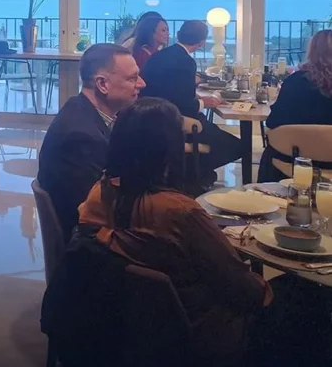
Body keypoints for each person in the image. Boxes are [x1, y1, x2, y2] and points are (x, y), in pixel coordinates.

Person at [75, 98, 271, 366]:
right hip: (192, 334)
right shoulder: (179, 212)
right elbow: (242, 288)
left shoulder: (99, 194)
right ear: (167, 148)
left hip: (123, 331)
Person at [37, 44, 145, 241]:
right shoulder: (81, 138)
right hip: (90, 245)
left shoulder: (80, 108)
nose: (142, 84)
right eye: (132, 78)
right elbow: (102, 210)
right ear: (102, 84)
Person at [140, 20, 241, 179]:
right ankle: (191, 174)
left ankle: (197, 173)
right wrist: (203, 103)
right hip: (174, 123)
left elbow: (172, 91)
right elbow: (185, 106)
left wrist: (198, 98)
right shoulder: (186, 62)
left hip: (150, 119)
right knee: (237, 147)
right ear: (201, 42)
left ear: (179, 34)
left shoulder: (159, 55)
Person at [259, 29, 332, 180]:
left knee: (271, 148)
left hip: (294, 161)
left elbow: (273, 122)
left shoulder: (295, 81)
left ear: (312, 51)